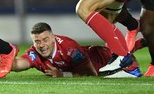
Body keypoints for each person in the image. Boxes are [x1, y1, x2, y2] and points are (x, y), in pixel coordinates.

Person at [10, 22, 144, 78]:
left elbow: (91, 73)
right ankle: (143, 42)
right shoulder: (35, 52)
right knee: (128, 50)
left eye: (45, 39)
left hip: (103, 57)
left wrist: (63, 75)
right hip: (92, 53)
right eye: (37, 41)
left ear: (53, 38)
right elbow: (19, 64)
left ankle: (143, 41)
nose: (41, 45)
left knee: (130, 59)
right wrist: (6, 55)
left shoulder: (69, 48)